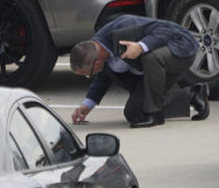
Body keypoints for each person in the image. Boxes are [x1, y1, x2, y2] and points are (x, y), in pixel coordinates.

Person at [70, 14, 209, 128]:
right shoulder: (98, 53)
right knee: (133, 113)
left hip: (180, 48)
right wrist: (87, 106)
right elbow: (103, 78)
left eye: (89, 74)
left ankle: (154, 114)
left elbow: (167, 29)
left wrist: (141, 46)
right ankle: (193, 95)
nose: (91, 76)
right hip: (153, 71)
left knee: (150, 58)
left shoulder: (123, 26)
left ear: (97, 63)